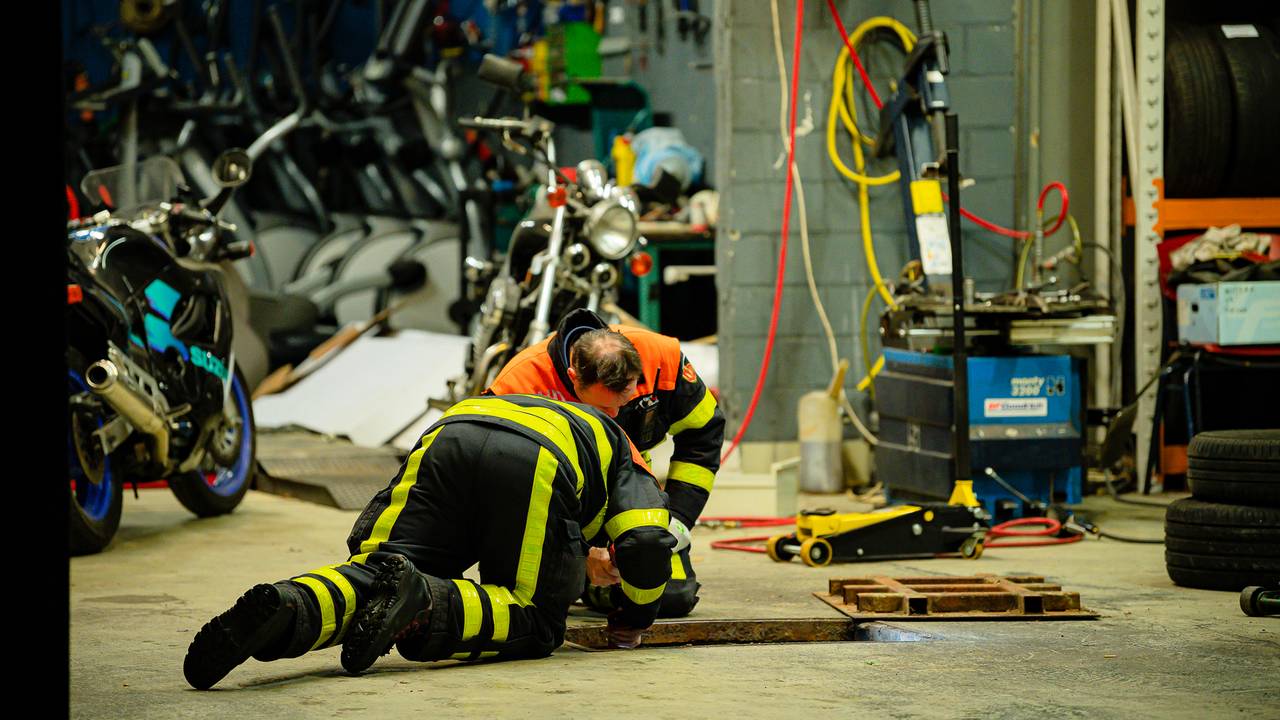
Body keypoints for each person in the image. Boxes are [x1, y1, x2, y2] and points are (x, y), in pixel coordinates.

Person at [183, 394, 675, 690]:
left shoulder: (549, 405)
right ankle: (422, 600)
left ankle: (288, 606)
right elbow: (649, 545)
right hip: (536, 461)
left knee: (379, 572)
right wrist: (632, 620)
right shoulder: (629, 456)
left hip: (450, 431)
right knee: (536, 618)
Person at [486, 308, 725, 618]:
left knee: (671, 597)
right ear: (573, 378)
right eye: (601, 408)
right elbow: (505, 490)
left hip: (631, 495)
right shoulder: (521, 384)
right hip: (553, 513)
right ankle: (581, 581)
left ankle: (596, 585)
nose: (614, 417)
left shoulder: (661, 357)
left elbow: (703, 434)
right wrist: (581, 551)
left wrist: (678, 518)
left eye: (624, 402)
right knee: (533, 603)